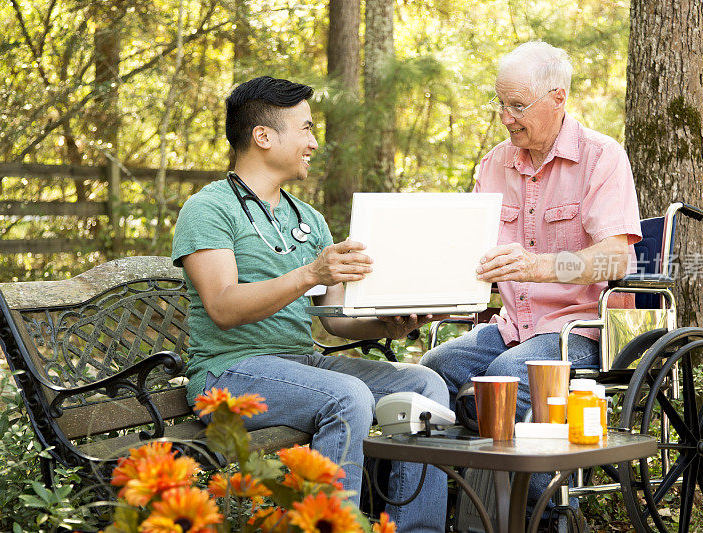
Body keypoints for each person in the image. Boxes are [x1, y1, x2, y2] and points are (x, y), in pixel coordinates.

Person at [171, 76, 448, 532]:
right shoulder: (209, 209)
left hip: (301, 364)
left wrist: (389, 326)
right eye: (305, 129)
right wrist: (308, 274)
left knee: (426, 385)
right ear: (264, 136)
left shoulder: (307, 217)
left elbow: (336, 323)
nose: (314, 143)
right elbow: (222, 306)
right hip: (227, 373)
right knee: (349, 396)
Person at [420, 41, 642, 516]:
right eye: (500, 103)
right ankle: (458, 508)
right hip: (510, 329)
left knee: (504, 378)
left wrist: (538, 265)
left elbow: (617, 261)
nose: (506, 116)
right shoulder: (494, 163)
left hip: (580, 331)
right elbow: (471, 258)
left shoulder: (602, 157)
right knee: (431, 373)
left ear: (558, 98)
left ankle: (544, 515)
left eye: (518, 106)